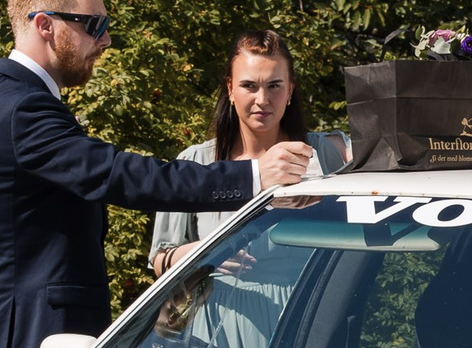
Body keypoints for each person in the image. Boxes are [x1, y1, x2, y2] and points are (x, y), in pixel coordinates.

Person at [0, 0, 312, 348]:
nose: (104, 40)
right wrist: (254, 175)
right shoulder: (21, 111)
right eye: (93, 25)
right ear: (45, 25)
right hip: (33, 345)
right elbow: (121, 176)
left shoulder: (9, 101)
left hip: (27, 343)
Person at [148, 29, 348, 276]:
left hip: (309, 312)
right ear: (230, 89)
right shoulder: (196, 162)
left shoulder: (322, 153)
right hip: (218, 310)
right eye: (249, 86)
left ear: (291, 90)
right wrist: (204, 253)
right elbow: (159, 261)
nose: (262, 99)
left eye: (274, 86)